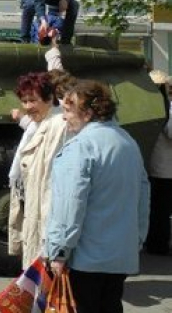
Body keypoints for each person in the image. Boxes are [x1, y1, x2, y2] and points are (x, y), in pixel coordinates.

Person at [45, 79, 150, 313]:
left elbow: (70, 205)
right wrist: (137, 240)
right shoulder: (128, 143)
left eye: (68, 110)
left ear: (88, 113)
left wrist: (59, 250)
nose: (64, 117)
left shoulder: (80, 147)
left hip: (85, 258)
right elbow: (143, 196)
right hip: (120, 256)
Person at [7, 71, 69, 268]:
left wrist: (50, 239)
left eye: (32, 100)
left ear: (50, 98)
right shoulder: (39, 124)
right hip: (34, 209)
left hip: (46, 218)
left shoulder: (58, 126)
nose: (27, 107)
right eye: (24, 101)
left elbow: (52, 184)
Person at [146, 70, 171, 255]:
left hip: (156, 165)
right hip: (164, 168)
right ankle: (158, 244)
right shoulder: (165, 107)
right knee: (161, 209)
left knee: (157, 208)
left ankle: (155, 242)